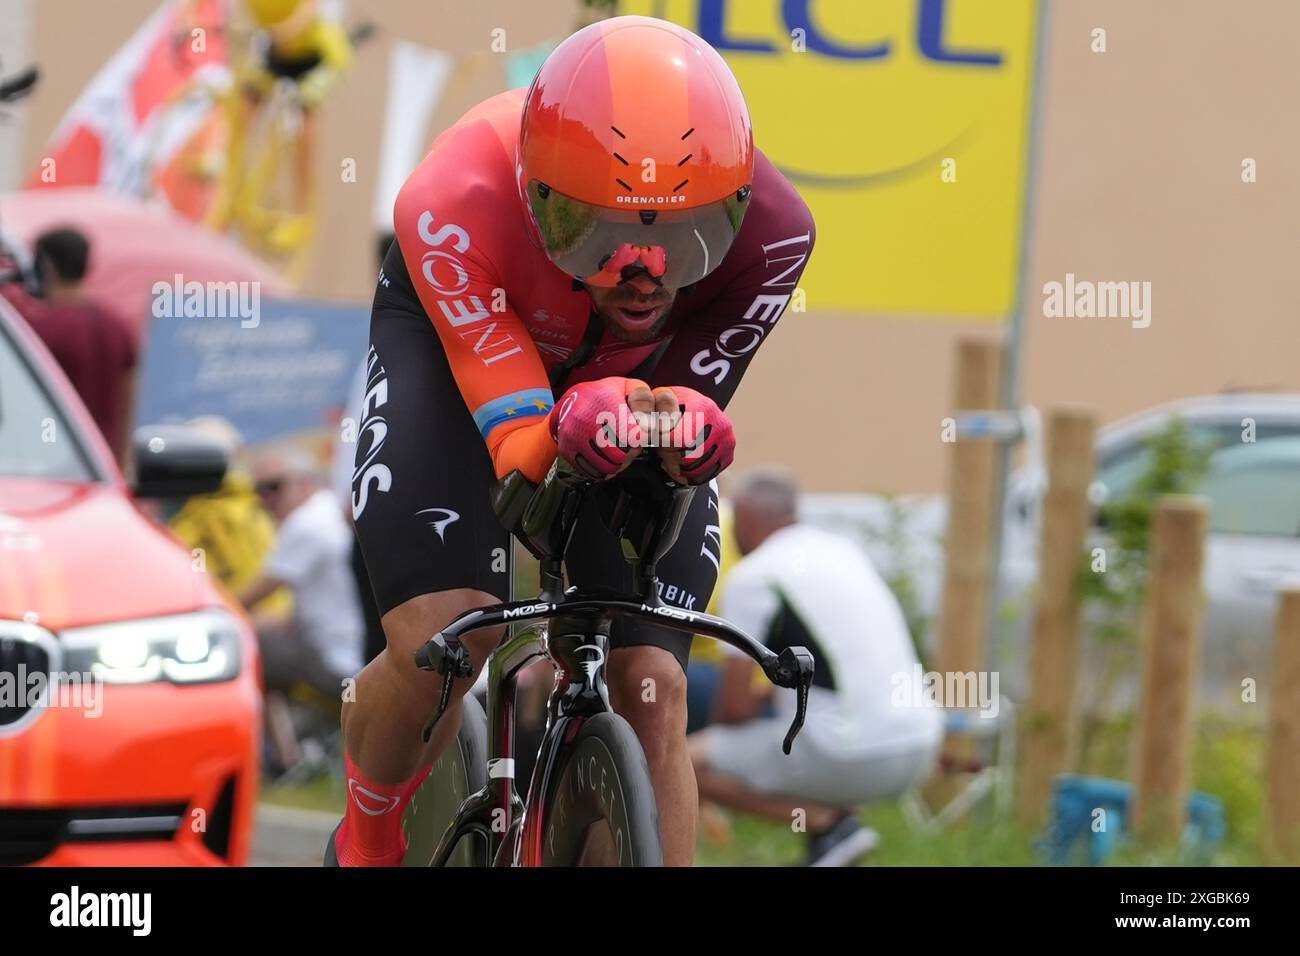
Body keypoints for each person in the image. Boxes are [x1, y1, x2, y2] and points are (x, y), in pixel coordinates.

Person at [334, 14, 815, 867]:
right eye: (601, 235)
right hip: (463, 368)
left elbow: (673, 423)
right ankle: (369, 841)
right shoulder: (451, 202)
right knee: (450, 638)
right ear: (538, 198)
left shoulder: (776, 235)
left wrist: (675, 422)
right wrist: (571, 416)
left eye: (688, 238)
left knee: (652, 685)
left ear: (733, 207)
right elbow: (524, 451)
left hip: (616, 392)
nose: (646, 274)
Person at [688, 469, 944, 867]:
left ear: (746, 521)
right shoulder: (843, 552)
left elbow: (733, 711)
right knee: (797, 720)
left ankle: (828, 825)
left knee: (682, 759)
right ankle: (830, 842)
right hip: (920, 746)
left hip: (850, 754)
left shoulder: (753, 577)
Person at [208, 0, 353, 249]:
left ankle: (302, 212)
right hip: (275, 49)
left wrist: (288, 28)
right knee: (243, 104)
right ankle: (227, 186)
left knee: (305, 115)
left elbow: (312, 6)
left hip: (318, 53)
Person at [0, 227, 136, 467]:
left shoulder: (39, 327)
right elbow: (130, 401)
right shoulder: (118, 325)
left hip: (47, 463)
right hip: (100, 464)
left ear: (46, 266)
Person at [239, 445, 364, 703]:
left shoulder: (305, 524)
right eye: (259, 491)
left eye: (274, 487)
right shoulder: (326, 509)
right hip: (356, 654)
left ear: (305, 482)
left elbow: (245, 600)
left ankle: (271, 742)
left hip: (340, 662)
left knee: (244, 650)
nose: (266, 499)